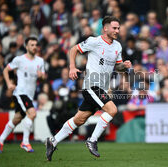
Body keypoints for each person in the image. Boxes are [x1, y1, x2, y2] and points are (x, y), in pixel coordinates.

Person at [45, 16, 131, 161]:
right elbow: (73, 49)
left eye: (118, 28)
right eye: (114, 28)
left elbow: (117, 66)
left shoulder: (117, 46)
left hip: (102, 88)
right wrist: (72, 67)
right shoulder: (94, 41)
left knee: (79, 119)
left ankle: (52, 141)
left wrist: (124, 66)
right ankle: (92, 140)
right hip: (92, 85)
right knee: (112, 110)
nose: (117, 30)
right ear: (105, 28)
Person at [0, 37, 45, 153]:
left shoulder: (40, 61)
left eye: (35, 45)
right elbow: (6, 70)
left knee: (17, 118)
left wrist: (41, 76)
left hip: (30, 94)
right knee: (32, 113)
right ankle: (25, 142)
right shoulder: (19, 59)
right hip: (21, 92)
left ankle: (0, 139)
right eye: (31, 45)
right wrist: (8, 84)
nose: (34, 47)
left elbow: (42, 78)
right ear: (26, 47)